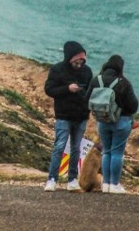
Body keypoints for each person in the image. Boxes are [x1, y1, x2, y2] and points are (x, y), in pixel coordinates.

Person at [44, 41, 93, 192]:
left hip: (81, 115)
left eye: (82, 60)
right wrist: (67, 89)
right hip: (63, 115)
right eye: (77, 60)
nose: (80, 62)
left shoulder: (87, 71)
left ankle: (72, 179)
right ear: (70, 58)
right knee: (59, 146)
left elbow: (91, 92)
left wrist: (84, 96)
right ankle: (52, 179)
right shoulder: (57, 70)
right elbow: (49, 89)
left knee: (76, 148)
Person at [86, 54, 139, 194]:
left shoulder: (96, 80)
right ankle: (114, 184)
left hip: (102, 121)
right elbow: (133, 106)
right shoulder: (123, 82)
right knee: (117, 154)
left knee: (106, 152)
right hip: (121, 122)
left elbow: (87, 99)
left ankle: (105, 184)